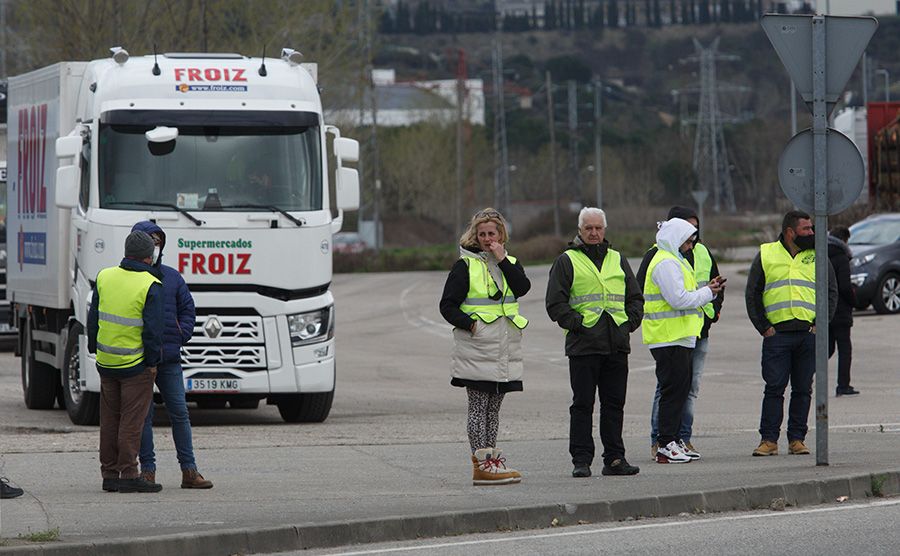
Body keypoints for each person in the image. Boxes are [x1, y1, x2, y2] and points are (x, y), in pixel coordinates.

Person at [546, 207, 644, 478]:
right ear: (579, 230)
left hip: (616, 344)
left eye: (598, 228)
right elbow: (555, 303)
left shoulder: (617, 259)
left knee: (614, 405)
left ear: (604, 230)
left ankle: (614, 458)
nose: (593, 232)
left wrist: (628, 324)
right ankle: (581, 459)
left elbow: (635, 298)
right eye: (588, 228)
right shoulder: (566, 261)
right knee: (582, 405)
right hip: (584, 345)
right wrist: (577, 325)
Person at [439, 208, 529, 485]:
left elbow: (522, 287)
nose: (487, 239)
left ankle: (492, 461)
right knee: (478, 406)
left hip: (503, 349)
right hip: (477, 348)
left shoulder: (510, 262)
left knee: (494, 408)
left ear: (501, 235)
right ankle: (481, 463)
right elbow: (447, 305)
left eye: (492, 233)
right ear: (475, 236)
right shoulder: (464, 266)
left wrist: (502, 260)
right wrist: (471, 325)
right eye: (482, 234)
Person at [745, 210, 837, 457]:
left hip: (808, 333)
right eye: (806, 229)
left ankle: (797, 439)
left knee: (803, 389)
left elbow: (830, 292)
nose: (812, 233)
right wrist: (764, 327)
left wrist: (821, 324)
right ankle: (768, 440)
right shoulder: (766, 254)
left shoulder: (817, 255)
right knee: (774, 388)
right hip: (778, 336)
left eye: (811, 229)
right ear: (789, 232)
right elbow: (752, 294)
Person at [637, 206, 724, 461]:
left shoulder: (675, 260)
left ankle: (673, 440)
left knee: (680, 390)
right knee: (672, 392)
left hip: (680, 336)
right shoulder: (665, 262)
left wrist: (708, 290)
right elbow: (679, 299)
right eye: (687, 241)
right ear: (675, 238)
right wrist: (708, 292)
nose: (690, 246)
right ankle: (665, 444)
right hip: (668, 337)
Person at [132, 221, 213, 489]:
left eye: (159, 240)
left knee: (180, 413)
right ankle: (148, 471)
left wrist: (182, 334)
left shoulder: (172, 277)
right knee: (144, 417)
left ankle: (189, 471)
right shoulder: (128, 277)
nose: (155, 245)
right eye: (149, 240)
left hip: (170, 359)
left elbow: (188, 309)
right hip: (141, 360)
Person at [88, 231, 164, 493]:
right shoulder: (150, 283)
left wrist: (93, 349)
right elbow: (153, 331)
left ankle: (109, 475)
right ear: (149, 256)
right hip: (135, 365)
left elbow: (93, 318)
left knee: (109, 420)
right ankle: (129, 474)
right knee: (132, 422)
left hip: (106, 361)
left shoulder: (105, 276)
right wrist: (153, 362)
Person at [828, 226, 858, 397]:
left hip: (825, 310)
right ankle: (843, 385)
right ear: (845, 240)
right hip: (841, 311)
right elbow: (845, 287)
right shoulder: (842, 258)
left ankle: (806, 375)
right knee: (845, 349)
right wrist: (855, 301)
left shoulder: (821, 254)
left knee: (827, 348)